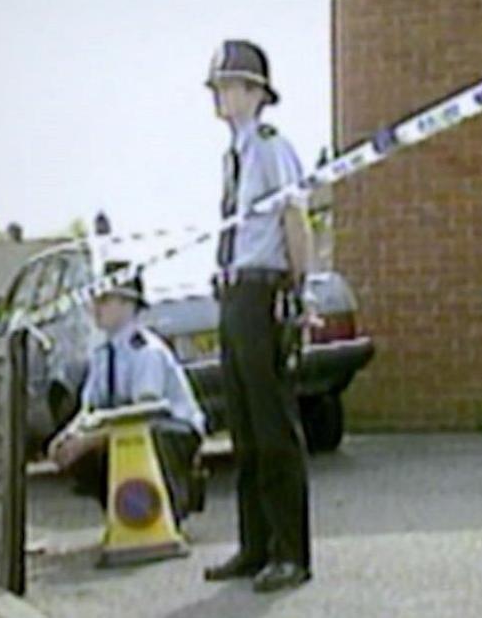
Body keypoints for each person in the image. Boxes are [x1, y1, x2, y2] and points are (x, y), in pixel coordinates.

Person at [202, 39, 318, 593]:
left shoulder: (272, 147)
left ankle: (291, 551)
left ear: (255, 93)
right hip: (232, 291)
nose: (221, 96)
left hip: (261, 291)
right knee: (244, 427)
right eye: (219, 86)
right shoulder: (235, 154)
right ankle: (255, 545)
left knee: (273, 426)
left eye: (230, 86)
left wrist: (304, 293)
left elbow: (296, 218)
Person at [48, 274, 207, 525]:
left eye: (105, 300)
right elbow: (90, 408)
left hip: (174, 430)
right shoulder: (102, 355)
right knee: (78, 453)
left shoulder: (146, 350)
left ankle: (164, 512)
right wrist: (68, 436)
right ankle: (121, 515)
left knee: (148, 438)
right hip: (128, 429)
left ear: (128, 304)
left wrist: (92, 440)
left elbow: (145, 412)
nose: (95, 308)